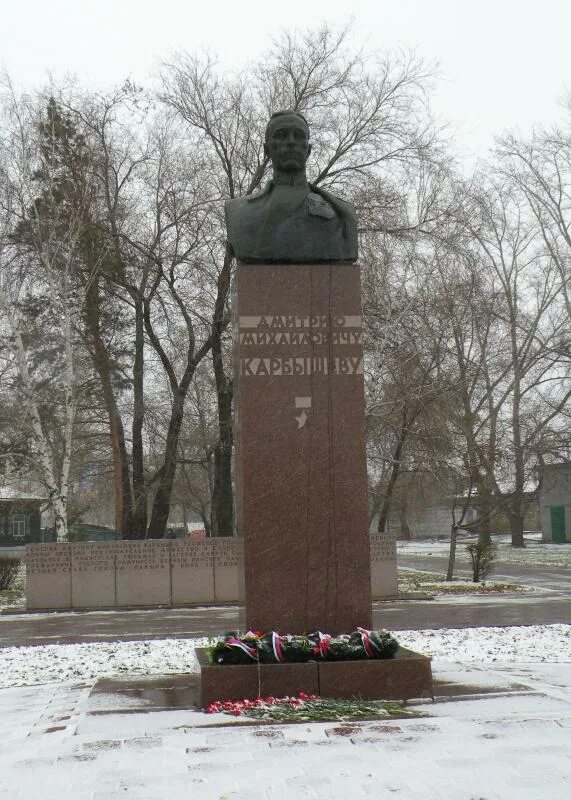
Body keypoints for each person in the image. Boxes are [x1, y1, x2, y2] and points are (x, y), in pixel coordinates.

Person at [225, 110, 358, 264]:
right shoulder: (238, 212)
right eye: (281, 135)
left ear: (308, 150)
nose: (291, 142)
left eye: (299, 135)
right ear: (267, 149)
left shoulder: (342, 214)